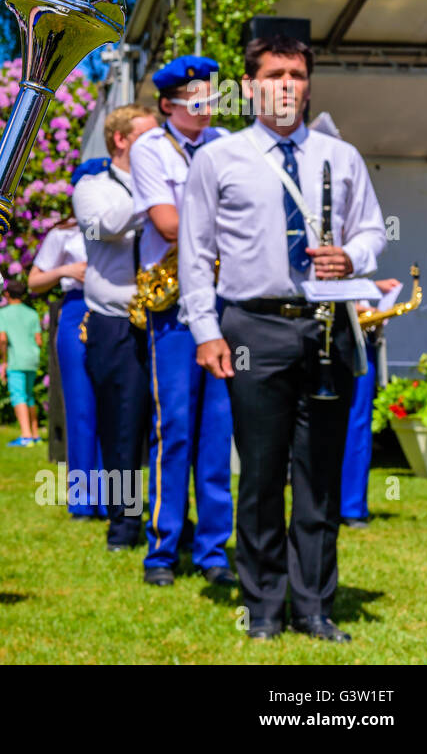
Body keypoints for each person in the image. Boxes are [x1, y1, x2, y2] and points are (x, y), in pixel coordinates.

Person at [181, 33, 386, 642]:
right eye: (274, 74)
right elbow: (195, 253)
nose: (287, 86)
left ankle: (315, 605)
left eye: (297, 75)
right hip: (253, 324)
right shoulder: (218, 158)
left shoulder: (339, 155)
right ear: (248, 86)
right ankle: (264, 605)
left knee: (320, 474)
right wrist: (205, 330)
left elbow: (373, 229)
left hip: (328, 324)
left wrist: (350, 256)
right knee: (263, 472)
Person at [129, 56, 235, 588]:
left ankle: (214, 550)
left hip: (222, 299)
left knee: (217, 430)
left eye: (212, 94)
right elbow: (168, 224)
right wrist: (226, 223)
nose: (209, 103)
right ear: (169, 104)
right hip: (172, 306)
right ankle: (164, 548)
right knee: (173, 427)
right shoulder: (150, 147)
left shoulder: (227, 142)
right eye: (198, 96)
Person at [72, 105, 160, 552]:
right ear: (120, 140)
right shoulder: (91, 187)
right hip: (115, 322)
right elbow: (105, 226)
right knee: (121, 426)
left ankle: (168, 523)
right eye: (149, 136)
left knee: (170, 425)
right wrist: (154, 191)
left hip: (166, 315)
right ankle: (123, 526)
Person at [28, 217, 100, 517]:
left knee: (120, 408)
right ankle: (83, 500)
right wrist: (65, 270)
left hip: (121, 306)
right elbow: (34, 282)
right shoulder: (64, 232)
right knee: (81, 406)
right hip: (76, 307)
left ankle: (118, 498)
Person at [341, 278, 399, 528]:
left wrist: (370, 288)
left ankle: (352, 506)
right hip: (330, 337)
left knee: (358, 426)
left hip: (362, 342)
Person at [0, 282, 43, 446]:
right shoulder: (32, 313)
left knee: (18, 395)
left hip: (16, 359)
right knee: (29, 395)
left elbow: (2, 339)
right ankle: (35, 434)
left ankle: (26, 436)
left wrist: (4, 361)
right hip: (32, 358)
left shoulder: (3, 313)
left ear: (7, 294)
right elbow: (39, 340)